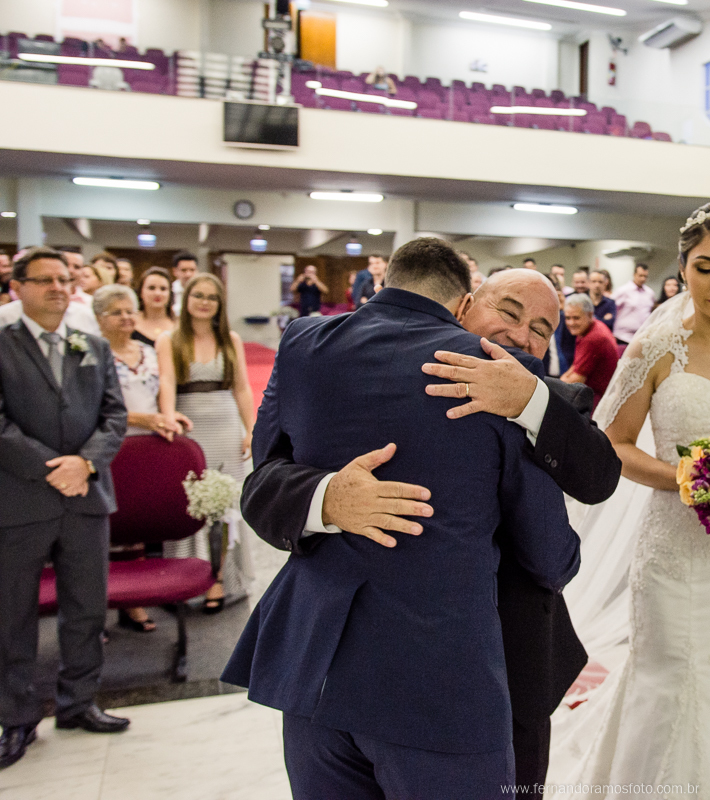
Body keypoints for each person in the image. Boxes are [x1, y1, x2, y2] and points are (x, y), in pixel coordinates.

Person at [222, 238, 582, 800]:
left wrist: (315, 498)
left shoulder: (305, 343)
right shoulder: (493, 376)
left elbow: (261, 485)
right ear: (466, 303)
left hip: (317, 673)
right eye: (510, 313)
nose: (522, 337)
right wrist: (331, 496)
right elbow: (550, 555)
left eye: (542, 328)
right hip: (440, 682)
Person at [550, 202, 710, 795]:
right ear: (683, 270)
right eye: (705, 266)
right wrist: (685, 478)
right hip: (675, 557)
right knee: (671, 680)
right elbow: (612, 443)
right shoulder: (656, 348)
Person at [0, 248, 130, 771]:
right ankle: (16, 716)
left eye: (63, 279)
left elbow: (114, 416)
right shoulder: (2, 346)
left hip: (86, 499)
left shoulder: (92, 345)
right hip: (21, 499)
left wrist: (87, 465)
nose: (58, 287)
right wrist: (55, 467)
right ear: (18, 287)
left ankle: (80, 702)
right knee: (13, 615)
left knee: (86, 608)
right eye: (45, 280)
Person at [94, 284, 192, 634]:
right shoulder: (93, 352)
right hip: (109, 443)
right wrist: (143, 419)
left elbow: (165, 388)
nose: (125, 318)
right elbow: (94, 406)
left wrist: (167, 418)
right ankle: (96, 608)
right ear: (99, 318)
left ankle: (131, 603)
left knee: (138, 526)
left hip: (147, 445)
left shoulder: (148, 351)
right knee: (106, 528)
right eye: (116, 312)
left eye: (129, 311)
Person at [158, 274, 256, 611]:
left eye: (212, 298)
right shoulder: (168, 340)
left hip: (225, 428)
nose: (204, 302)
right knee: (187, 504)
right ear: (186, 299)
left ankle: (218, 579)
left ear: (220, 305)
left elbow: (242, 388)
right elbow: (167, 383)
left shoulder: (230, 339)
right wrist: (168, 415)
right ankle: (180, 578)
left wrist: (251, 429)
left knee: (224, 508)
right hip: (188, 429)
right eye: (198, 295)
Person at [561, 294, 619, 407]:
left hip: (599, 399)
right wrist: (562, 380)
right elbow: (576, 365)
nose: (571, 323)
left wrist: (553, 388)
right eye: (568, 318)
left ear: (590, 315)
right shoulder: (590, 327)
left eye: (576, 318)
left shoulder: (593, 338)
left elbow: (577, 379)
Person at [611, 263, 655, 345]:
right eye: (640, 275)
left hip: (641, 336)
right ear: (634, 275)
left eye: (645, 276)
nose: (642, 278)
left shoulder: (650, 293)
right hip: (623, 336)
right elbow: (612, 308)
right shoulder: (623, 291)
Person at [133, 266, 175, 345]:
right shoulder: (130, 322)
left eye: (163, 289)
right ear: (141, 292)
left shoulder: (179, 325)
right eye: (151, 288)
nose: (157, 293)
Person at [170, 251, 198, 317]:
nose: (188, 274)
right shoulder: (168, 291)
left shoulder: (202, 292)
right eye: (184, 270)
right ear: (175, 271)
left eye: (192, 270)